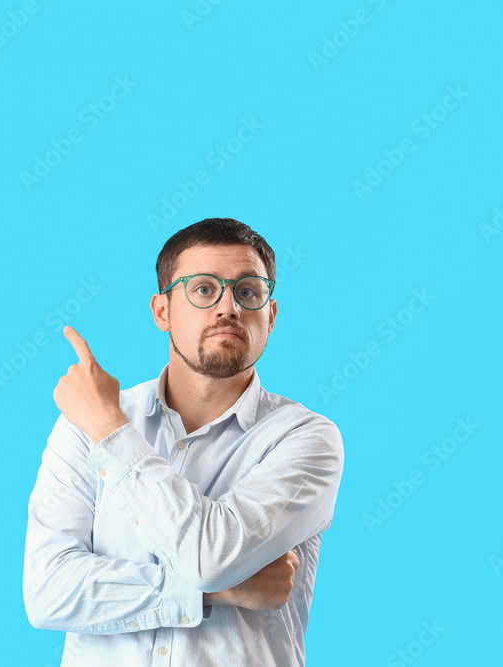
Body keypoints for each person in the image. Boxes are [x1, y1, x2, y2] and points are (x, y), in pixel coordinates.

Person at [23, 217, 344, 666]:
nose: (228, 307)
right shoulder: (83, 423)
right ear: (163, 311)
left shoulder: (305, 438)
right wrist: (218, 591)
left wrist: (112, 432)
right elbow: (48, 593)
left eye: (248, 291)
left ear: (269, 316)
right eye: (204, 289)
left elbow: (210, 557)